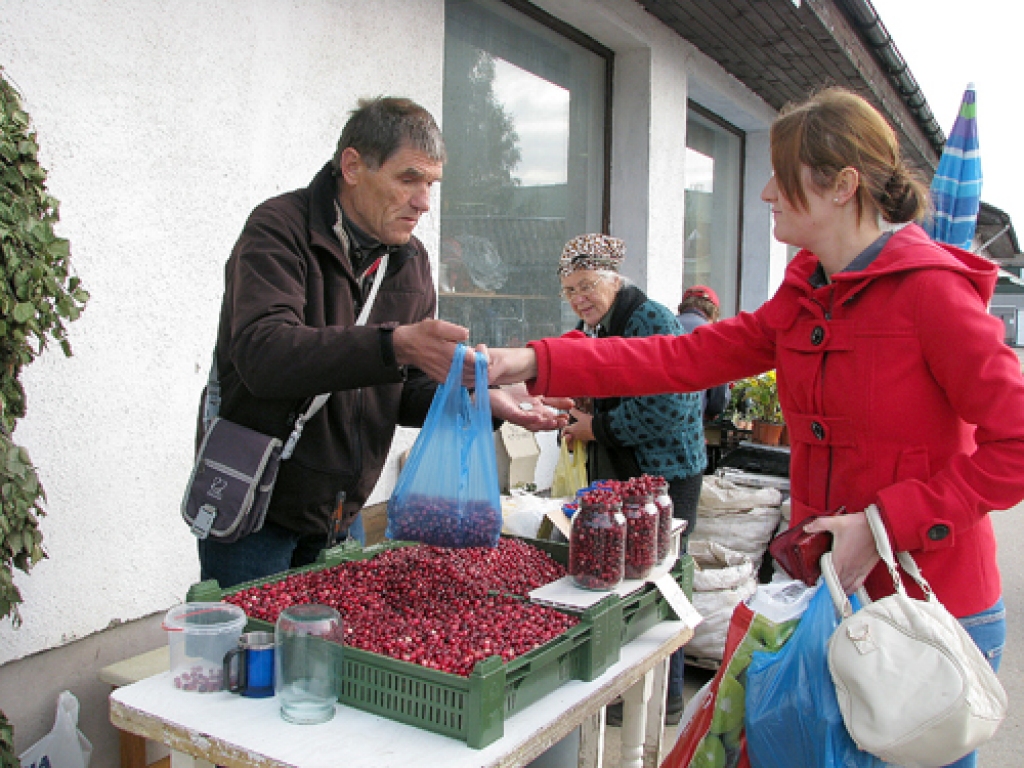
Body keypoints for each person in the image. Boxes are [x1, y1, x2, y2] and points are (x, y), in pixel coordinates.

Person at [483, 86, 1024, 767]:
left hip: (924, 611)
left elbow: (1015, 442)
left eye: (782, 176)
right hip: (830, 599)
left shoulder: (932, 293)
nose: (766, 192)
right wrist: (536, 360)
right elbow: (682, 356)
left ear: (842, 186)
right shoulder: (806, 292)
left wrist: (889, 521)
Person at [196, 96, 565, 589]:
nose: (423, 202)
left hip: (342, 515)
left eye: (430, 184)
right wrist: (397, 345)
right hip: (259, 510)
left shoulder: (410, 261)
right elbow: (264, 354)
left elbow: (402, 391)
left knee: (334, 638)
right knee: (250, 637)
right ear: (353, 166)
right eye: (408, 179)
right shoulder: (279, 229)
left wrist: (481, 398)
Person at [555, 233, 706, 725]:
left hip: (665, 477)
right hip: (628, 471)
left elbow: (669, 406)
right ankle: (627, 688)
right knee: (626, 578)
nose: (579, 298)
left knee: (660, 581)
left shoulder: (651, 320)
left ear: (614, 280)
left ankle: (666, 698)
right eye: (570, 290)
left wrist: (596, 428)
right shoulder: (597, 327)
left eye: (587, 285)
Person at [677, 285, 729, 421]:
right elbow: (718, 400)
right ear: (714, 313)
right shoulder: (714, 335)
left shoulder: (663, 326)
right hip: (690, 423)